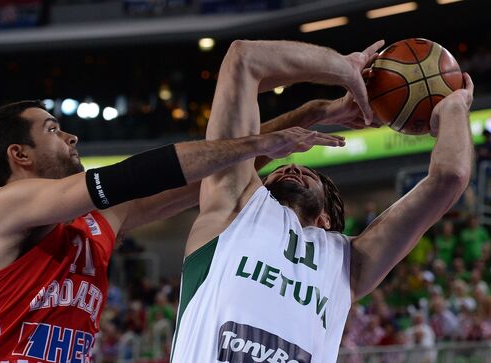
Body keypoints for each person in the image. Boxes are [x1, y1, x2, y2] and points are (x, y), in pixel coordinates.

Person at [0, 99, 345, 362]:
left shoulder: (93, 222)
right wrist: (263, 141)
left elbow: (215, 173)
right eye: (51, 129)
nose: (71, 136)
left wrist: (313, 117)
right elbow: (130, 176)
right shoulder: (3, 207)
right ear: (19, 155)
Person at [170, 39, 474, 363]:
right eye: (277, 170)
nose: (290, 167)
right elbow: (243, 59)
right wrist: (345, 69)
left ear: (327, 219)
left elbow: (449, 178)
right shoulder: (232, 206)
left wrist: (452, 108)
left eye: (307, 173)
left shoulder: (348, 263)